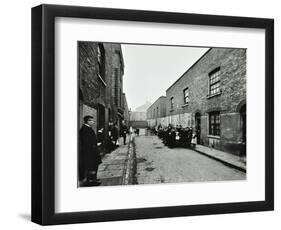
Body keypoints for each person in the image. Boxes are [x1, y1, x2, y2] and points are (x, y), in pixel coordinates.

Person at [79, 116, 102, 186]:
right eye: (91, 121)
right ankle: (91, 181)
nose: (93, 122)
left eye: (92, 120)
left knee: (94, 166)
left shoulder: (88, 128)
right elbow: (86, 142)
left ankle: (94, 179)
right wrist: (94, 146)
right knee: (91, 166)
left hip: (92, 151)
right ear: (87, 121)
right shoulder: (85, 130)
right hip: (90, 152)